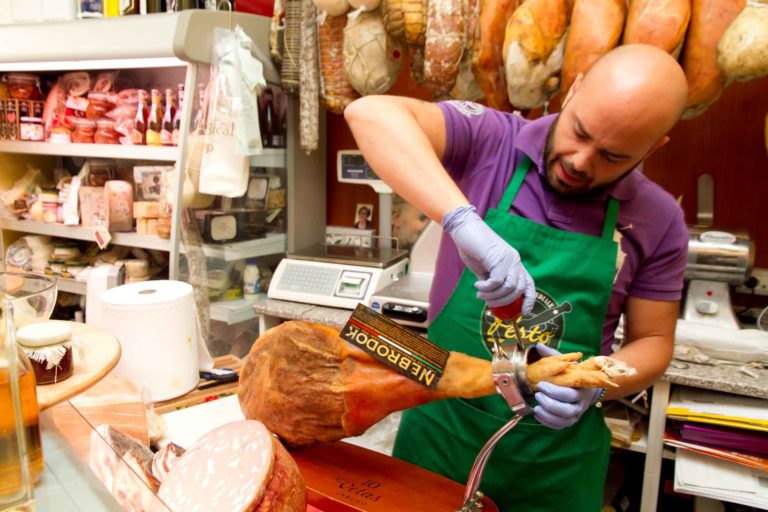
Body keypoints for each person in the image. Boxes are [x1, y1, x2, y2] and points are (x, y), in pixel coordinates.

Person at [344, 44, 689, 511]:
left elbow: (653, 341)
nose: (580, 161)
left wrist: (595, 387)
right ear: (574, 88)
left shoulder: (659, 218)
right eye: (579, 132)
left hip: (553, 466)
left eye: (612, 155)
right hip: (441, 435)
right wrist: (461, 220)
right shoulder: (491, 139)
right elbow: (370, 113)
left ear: (654, 148)